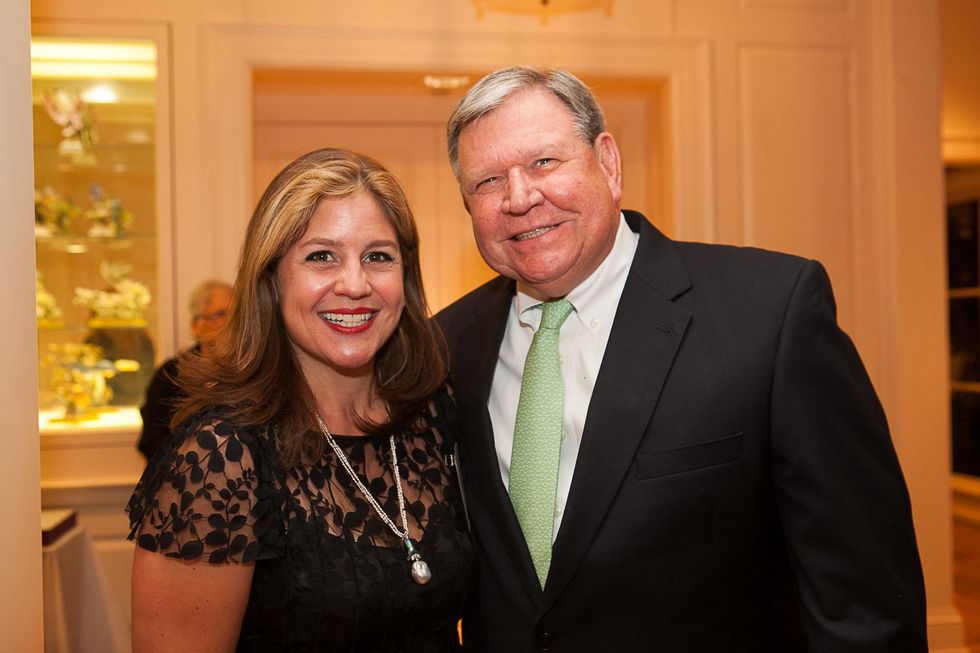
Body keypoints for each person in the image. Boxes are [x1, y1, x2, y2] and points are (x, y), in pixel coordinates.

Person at [435, 66, 926, 651]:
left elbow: (864, 600)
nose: (520, 197)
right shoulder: (446, 347)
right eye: (488, 181)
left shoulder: (771, 313)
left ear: (608, 164)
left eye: (544, 163)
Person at [126, 148, 472, 651]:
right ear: (272, 278)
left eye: (378, 256)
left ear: (406, 277)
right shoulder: (219, 457)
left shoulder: (433, 414)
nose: (354, 285)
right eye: (321, 256)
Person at [136, 279, 232, 460]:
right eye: (220, 314)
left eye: (238, 314)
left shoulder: (252, 371)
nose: (231, 323)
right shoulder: (170, 375)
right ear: (196, 325)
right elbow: (151, 440)